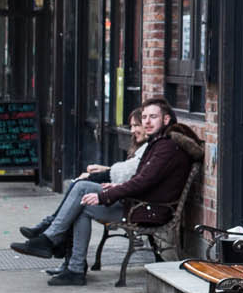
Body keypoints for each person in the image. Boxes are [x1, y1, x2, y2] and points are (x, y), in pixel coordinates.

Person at [11, 98, 201, 286]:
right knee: (82, 190)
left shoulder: (166, 147)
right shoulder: (159, 142)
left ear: (166, 120)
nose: (147, 122)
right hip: (139, 203)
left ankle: (56, 246)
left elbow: (143, 182)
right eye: (144, 117)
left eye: (153, 117)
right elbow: (142, 179)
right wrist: (114, 187)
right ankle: (67, 260)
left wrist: (104, 196)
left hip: (148, 210)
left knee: (83, 195)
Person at [17, 107, 147, 269]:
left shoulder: (151, 149)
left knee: (80, 190)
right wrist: (103, 169)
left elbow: (131, 176)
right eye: (132, 126)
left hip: (132, 206)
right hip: (125, 199)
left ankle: (57, 243)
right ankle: (71, 263)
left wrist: (98, 176)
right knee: (78, 191)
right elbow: (128, 172)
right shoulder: (144, 148)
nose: (134, 130)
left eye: (137, 126)